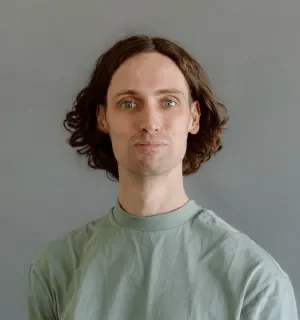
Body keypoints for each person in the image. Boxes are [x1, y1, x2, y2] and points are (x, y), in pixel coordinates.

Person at [27, 34, 299, 320]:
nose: (150, 123)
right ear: (102, 117)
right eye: (129, 103)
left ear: (193, 117)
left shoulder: (255, 280)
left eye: (168, 102)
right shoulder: (55, 269)